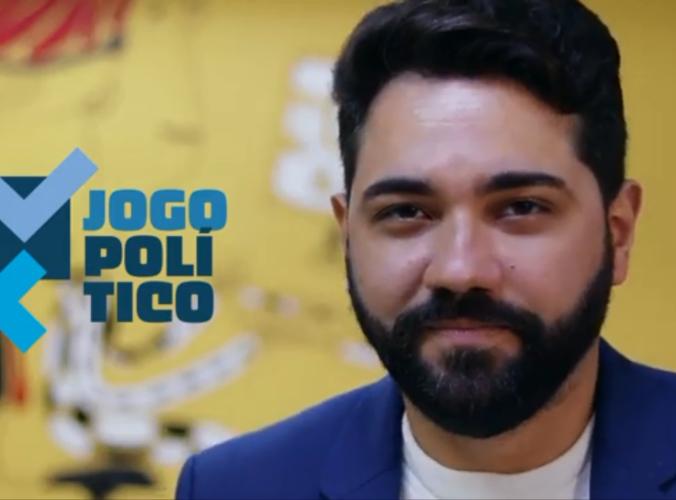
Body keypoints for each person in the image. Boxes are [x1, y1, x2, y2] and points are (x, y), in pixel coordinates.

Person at [175, 1, 676, 498]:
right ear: (348, 235)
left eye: (521, 207)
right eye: (406, 211)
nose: (460, 269)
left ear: (619, 232)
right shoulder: (233, 488)